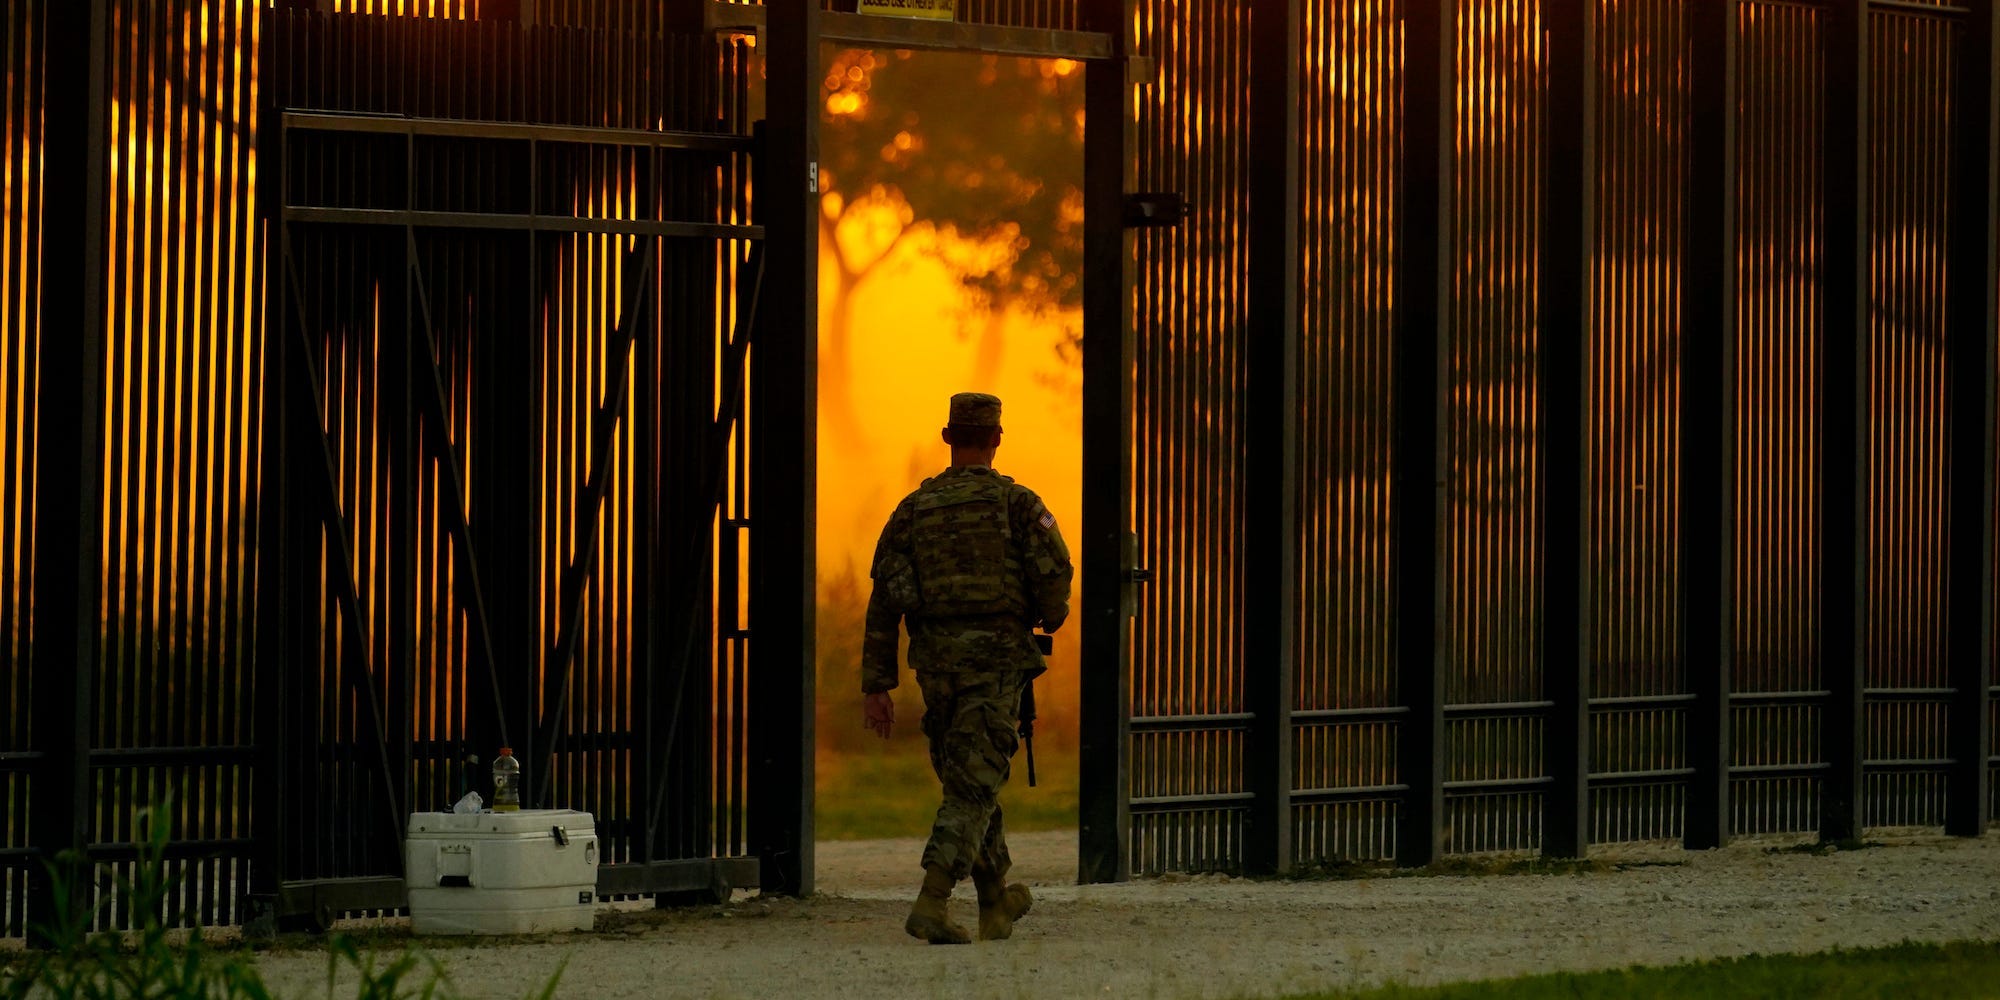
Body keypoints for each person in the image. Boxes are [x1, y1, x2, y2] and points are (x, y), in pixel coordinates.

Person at [860, 392, 1074, 945]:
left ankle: (995, 899)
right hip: (996, 666)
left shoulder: (912, 510)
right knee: (973, 789)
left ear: (948, 438)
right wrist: (1050, 616)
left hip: (936, 668)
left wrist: (877, 683)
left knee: (970, 777)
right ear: (997, 439)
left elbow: (884, 597)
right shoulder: (1020, 504)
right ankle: (932, 901)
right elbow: (1056, 571)